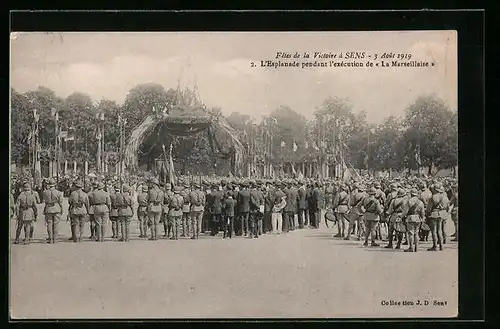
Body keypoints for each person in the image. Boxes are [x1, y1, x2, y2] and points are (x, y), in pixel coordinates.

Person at [426, 183, 450, 251]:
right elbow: (447, 205)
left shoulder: (432, 197)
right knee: (439, 230)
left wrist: (427, 214)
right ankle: (441, 246)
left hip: (434, 214)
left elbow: (428, 209)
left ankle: (435, 246)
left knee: (434, 231)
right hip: (441, 214)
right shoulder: (444, 196)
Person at [42, 178, 63, 244]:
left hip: (48, 208)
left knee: (49, 224)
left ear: (48, 184)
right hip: (57, 208)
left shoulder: (45, 192)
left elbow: (44, 201)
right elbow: (60, 202)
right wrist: (62, 209)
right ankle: (55, 238)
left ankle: (50, 238)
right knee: (56, 224)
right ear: (55, 185)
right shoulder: (59, 193)